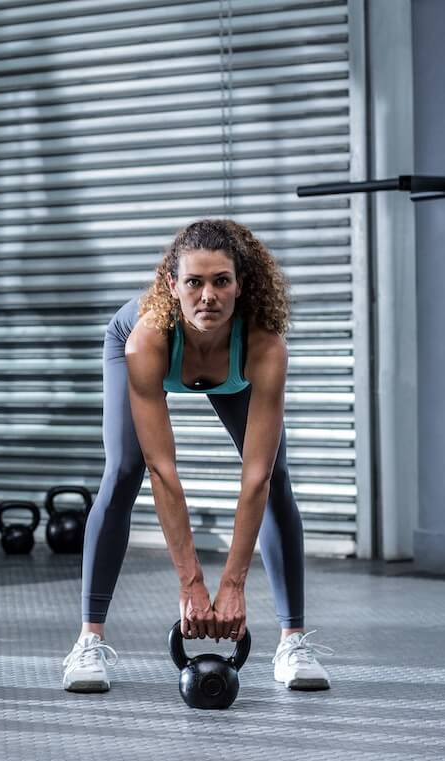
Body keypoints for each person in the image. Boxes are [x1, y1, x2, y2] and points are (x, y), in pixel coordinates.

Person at [62, 219, 332, 693]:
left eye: (221, 281)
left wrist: (232, 584)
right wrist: (191, 585)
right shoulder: (147, 337)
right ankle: (89, 640)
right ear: (172, 285)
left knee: (276, 478)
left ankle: (293, 640)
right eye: (194, 282)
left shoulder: (264, 346)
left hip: (228, 366)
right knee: (124, 470)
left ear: (240, 285)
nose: (207, 295)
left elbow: (256, 476)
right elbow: (162, 471)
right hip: (155, 353)